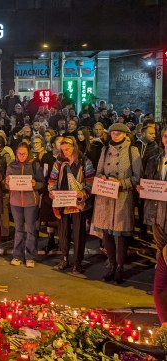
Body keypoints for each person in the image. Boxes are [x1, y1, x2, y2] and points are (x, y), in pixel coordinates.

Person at [92, 123, 142, 284]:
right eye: (113, 132)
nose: (115, 134)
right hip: (105, 195)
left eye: (119, 132)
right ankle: (111, 264)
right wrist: (103, 178)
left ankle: (120, 267)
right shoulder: (105, 150)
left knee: (120, 234)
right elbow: (98, 171)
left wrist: (121, 182)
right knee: (106, 233)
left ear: (126, 134)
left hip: (122, 197)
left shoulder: (132, 151)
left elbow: (137, 177)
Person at [49, 136, 95, 273]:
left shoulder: (85, 162)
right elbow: (52, 180)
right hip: (62, 202)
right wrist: (52, 192)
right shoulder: (58, 162)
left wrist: (84, 193)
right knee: (63, 233)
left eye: (67, 149)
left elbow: (91, 181)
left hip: (78, 204)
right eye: (62, 150)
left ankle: (77, 262)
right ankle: (64, 259)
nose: (65, 152)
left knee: (78, 233)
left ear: (74, 147)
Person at [141, 127, 167, 323]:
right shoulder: (155, 159)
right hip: (156, 211)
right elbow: (148, 181)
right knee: (161, 249)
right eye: (166, 136)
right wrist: (142, 187)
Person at [6, 142, 45, 267]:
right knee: (18, 229)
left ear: (28, 153)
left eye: (24, 154)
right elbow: (7, 185)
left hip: (30, 202)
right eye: (19, 153)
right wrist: (7, 183)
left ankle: (30, 257)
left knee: (30, 230)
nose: (22, 156)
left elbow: (42, 183)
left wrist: (35, 184)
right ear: (16, 153)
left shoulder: (35, 165)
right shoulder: (11, 165)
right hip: (15, 201)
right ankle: (17, 256)